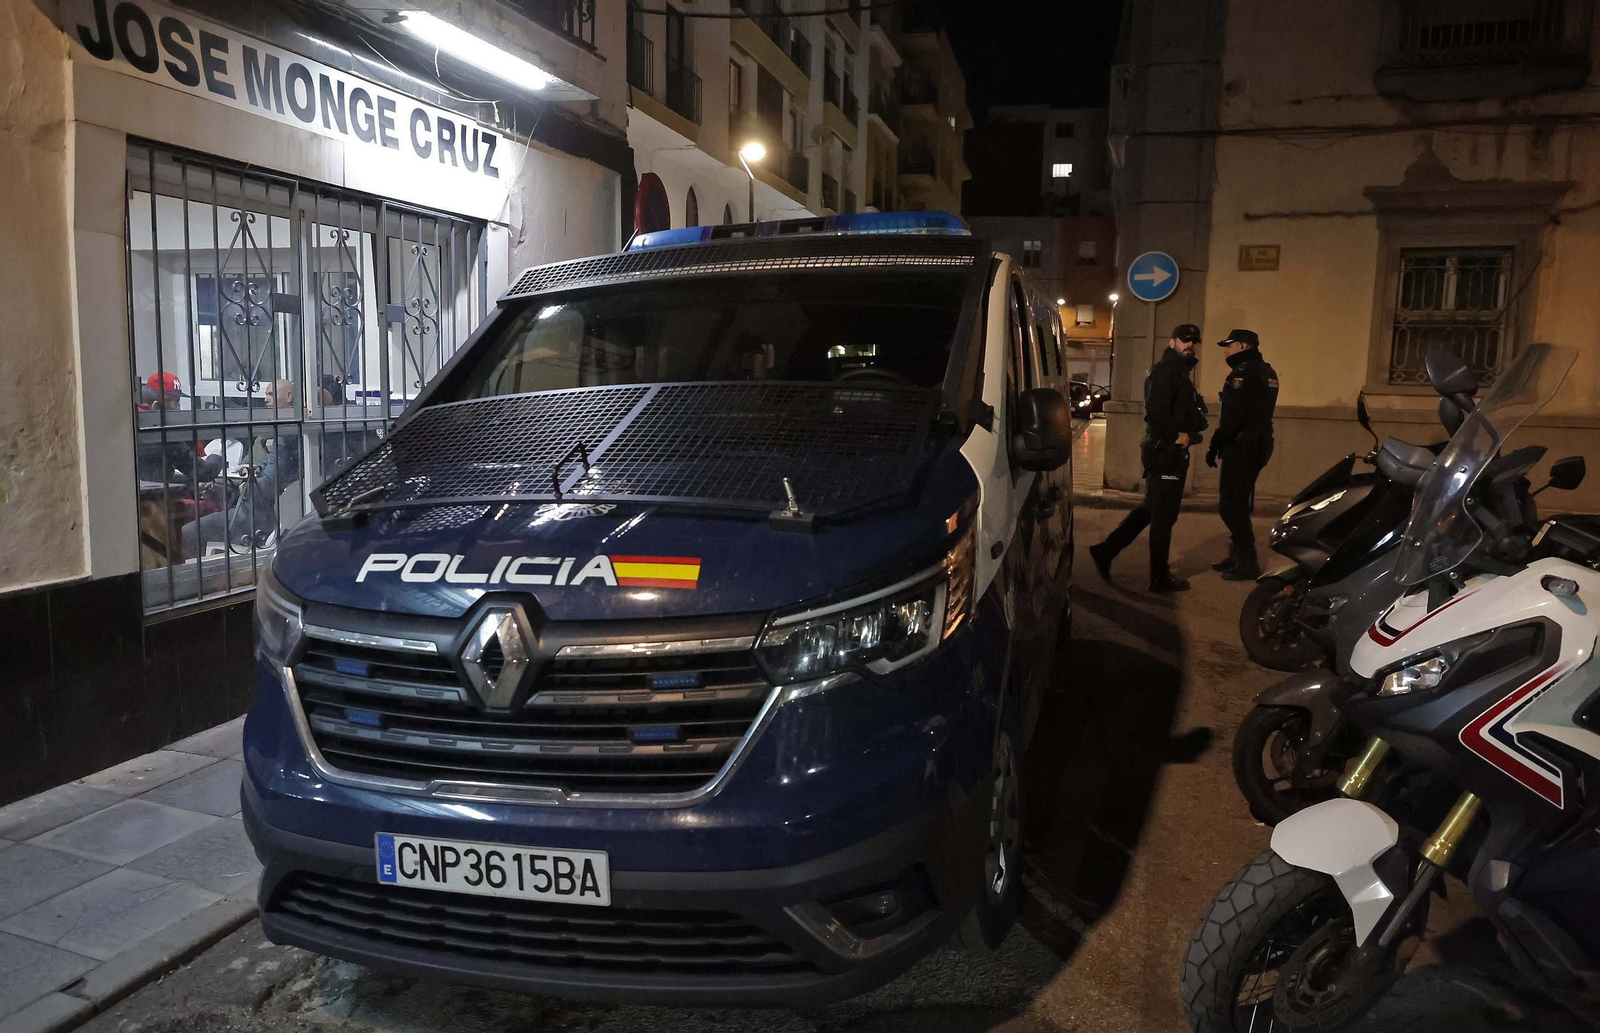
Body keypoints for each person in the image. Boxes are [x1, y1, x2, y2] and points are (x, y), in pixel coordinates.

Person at [1089, 324, 1209, 592]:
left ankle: (1105, 551)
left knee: (1151, 510)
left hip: (1168, 451)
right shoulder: (1168, 370)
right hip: (1166, 453)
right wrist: (1174, 436)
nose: (1190, 344)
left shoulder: (1180, 371)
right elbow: (1156, 409)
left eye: (1194, 341)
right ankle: (1159, 577)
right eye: (1185, 340)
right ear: (1172, 341)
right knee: (1164, 517)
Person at [1206, 329, 1279, 579]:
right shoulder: (1267, 371)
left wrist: (1216, 442)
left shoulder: (1243, 373)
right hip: (1258, 444)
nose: (1226, 351)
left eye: (1229, 346)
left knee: (1230, 505)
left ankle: (1247, 562)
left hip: (1243, 446)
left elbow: (1234, 415)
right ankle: (1237, 555)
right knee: (1239, 502)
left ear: (1242, 346)